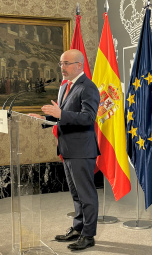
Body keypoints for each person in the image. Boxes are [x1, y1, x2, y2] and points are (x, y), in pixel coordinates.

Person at [29, 49, 100, 251]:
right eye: (61, 63)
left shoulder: (88, 87)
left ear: (79, 65)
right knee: (76, 194)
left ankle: (88, 235)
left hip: (82, 150)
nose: (62, 67)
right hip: (67, 148)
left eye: (66, 63)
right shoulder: (64, 88)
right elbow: (63, 116)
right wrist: (45, 119)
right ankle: (78, 228)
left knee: (86, 195)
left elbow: (88, 118)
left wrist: (61, 113)